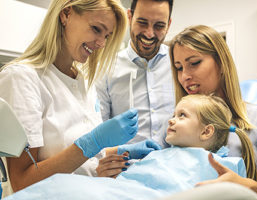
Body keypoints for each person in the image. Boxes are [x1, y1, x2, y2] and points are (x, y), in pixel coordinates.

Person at [0, 0, 159, 197]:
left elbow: (80, 156)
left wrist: (119, 151)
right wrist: (93, 142)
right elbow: (22, 183)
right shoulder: (22, 78)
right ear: (66, 14)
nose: (101, 43)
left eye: (107, 36)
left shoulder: (84, 81)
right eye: (96, 29)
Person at [3, 94, 257, 200]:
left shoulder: (219, 164)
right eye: (174, 113)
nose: (172, 119)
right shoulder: (159, 154)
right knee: (59, 184)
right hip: (120, 190)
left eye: (182, 116)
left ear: (206, 131)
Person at [169, 24, 257, 200]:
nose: (184, 76)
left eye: (194, 63)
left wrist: (247, 187)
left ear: (222, 63)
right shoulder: (175, 123)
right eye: (179, 67)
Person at [95, 0, 175, 176]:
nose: (149, 33)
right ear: (129, 17)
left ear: (169, 25)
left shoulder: (178, 63)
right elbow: (96, 132)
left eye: (159, 26)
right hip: (123, 176)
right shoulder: (106, 67)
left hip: (174, 173)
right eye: (142, 22)